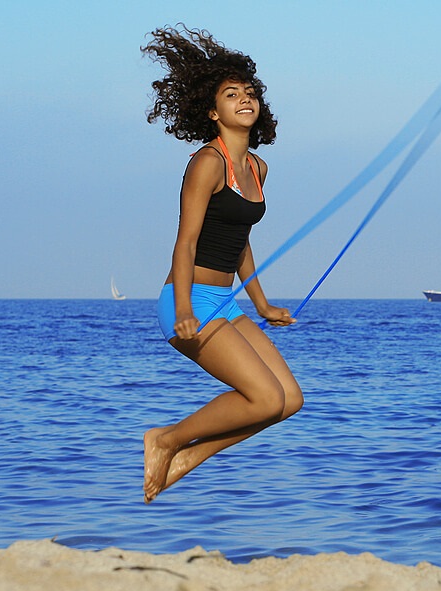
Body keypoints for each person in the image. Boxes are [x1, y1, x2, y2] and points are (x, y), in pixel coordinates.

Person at [140, 25, 303, 504]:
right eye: (231, 95)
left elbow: (239, 242)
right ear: (213, 112)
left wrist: (263, 303)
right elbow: (185, 244)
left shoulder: (257, 167)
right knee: (265, 398)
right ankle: (166, 440)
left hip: (224, 301)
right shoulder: (206, 163)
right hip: (186, 300)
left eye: (250, 93)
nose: (244, 100)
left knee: (288, 401)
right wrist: (186, 308)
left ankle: (190, 455)